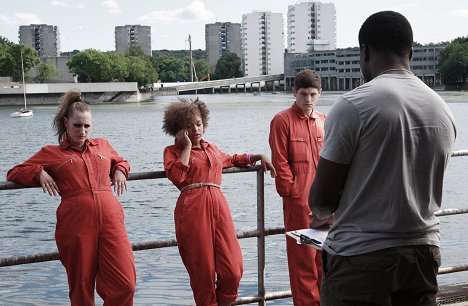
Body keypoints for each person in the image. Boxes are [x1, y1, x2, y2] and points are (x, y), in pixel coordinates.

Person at [309, 11, 457, 305]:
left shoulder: (354, 104)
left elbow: (321, 201)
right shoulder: (442, 110)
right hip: (423, 253)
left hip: (361, 259)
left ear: (364, 51)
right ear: (411, 53)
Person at [7, 90, 136, 306]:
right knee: (81, 287)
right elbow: (15, 172)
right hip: (75, 225)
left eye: (87, 126)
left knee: (125, 284)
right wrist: (39, 172)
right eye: (77, 125)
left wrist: (121, 169)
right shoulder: (52, 152)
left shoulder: (102, 145)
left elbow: (120, 160)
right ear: (66, 123)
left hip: (112, 222)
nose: (83, 131)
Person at [162, 98, 276, 306]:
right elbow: (177, 177)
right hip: (192, 210)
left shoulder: (211, 149)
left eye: (198, 123)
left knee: (233, 269)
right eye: (189, 125)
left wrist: (257, 156)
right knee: (202, 273)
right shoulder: (172, 151)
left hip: (219, 208)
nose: (195, 129)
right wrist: (186, 147)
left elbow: (232, 159)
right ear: (179, 130)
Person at [269, 69, 326, 305]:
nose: (308, 99)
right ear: (294, 93)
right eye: (303, 94)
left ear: (320, 94)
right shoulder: (282, 121)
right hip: (299, 200)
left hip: (325, 200)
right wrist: (291, 193)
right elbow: (280, 161)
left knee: (325, 258)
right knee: (303, 260)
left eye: (313, 94)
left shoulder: (324, 121)